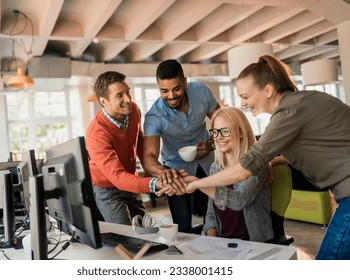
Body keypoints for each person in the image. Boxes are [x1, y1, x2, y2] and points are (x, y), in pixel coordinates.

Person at [166, 55, 350, 260]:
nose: (243, 103)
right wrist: (275, 160)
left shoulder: (288, 112)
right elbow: (317, 145)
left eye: (246, 96)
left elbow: (245, 169)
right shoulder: (298, 105)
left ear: (268, 90)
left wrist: (195, 184)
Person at [143, 59, 220, 233]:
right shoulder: (154, 116)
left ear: (184, 82)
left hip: (207, 163)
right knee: (182, 226)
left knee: (216, 217)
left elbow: (223, 124)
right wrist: (165, 173)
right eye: (164, 91)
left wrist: (211, 144)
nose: (171, 95)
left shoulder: (201, 91)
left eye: (176, 88)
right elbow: (148, 158)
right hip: (176, 172)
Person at [85, 71, 165, 225]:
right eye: (119, 95)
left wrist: (152, 167)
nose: (128, 99)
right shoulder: (96, 133)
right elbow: (117, 177)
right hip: (107, 188)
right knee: (125, 233)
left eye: (127, 92)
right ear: (104, 101)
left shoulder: (134, 111)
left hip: (129, 179)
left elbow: (139, 138)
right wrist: (153, 184)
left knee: (143, 229)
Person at [201, 107, 273, 242]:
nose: (218, 137)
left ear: (241, 132)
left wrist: (196, 184)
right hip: (224, 243)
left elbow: (239, 201)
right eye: (215, 132)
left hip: (253, 244)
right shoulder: (215, 168)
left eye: (225, 131)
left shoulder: (256, 166)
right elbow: (211, 213)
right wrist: (213, 242)